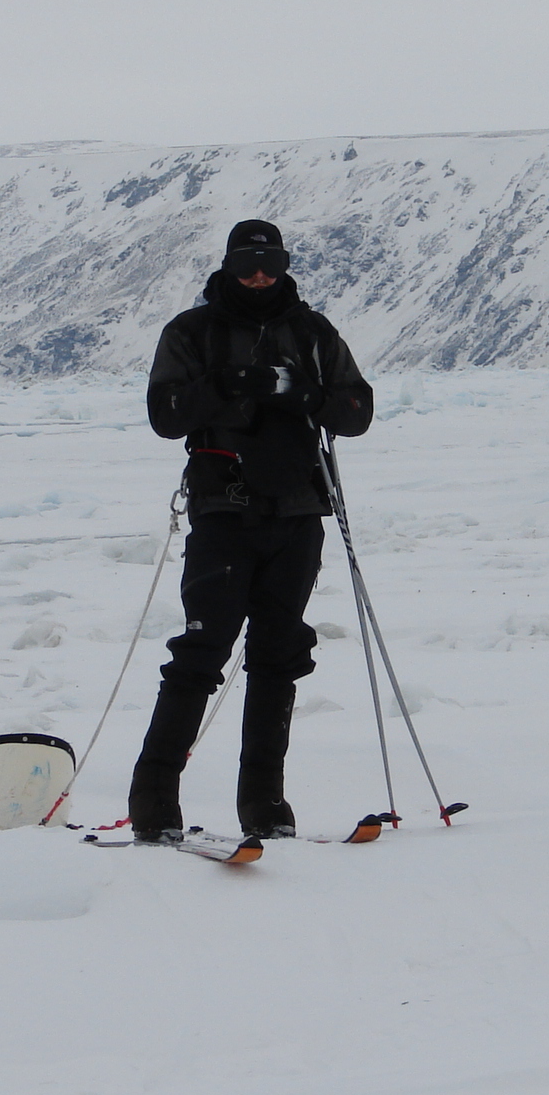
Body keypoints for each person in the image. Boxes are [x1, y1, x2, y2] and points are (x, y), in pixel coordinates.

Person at [129, 219, 374, 841]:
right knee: (201, 653)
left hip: (297, 514)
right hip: (224, 513)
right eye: (247, 265)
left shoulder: (312, 332)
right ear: (229, 265)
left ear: (285, 265)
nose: (259, 276)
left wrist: (305, 396)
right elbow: (165, 415)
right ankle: (154, 805)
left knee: (278, 655)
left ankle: (265, 804)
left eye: (270, 264)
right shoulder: (192, 332)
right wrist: (230, 386)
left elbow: (357, 411)